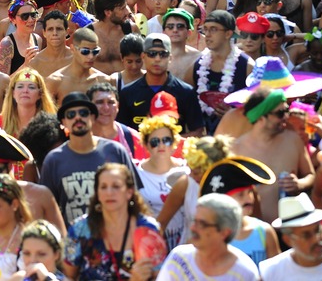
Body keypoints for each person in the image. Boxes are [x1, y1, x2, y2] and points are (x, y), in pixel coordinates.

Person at [40, 92, 138, 227]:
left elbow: (135, 196)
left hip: (115, 239)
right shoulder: (53, 160)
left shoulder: (115, 151)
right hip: (74, 242)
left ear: (92, 117)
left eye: (83, 113)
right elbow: (46, 208)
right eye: (71, 115)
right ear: (63, 122)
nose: (78, 118)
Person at [232, 88, 316, 223]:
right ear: (261, 117)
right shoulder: (236, 149)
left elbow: (310, 175)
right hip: (254, 231)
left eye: (286, 111)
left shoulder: (293, 139)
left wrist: (299, 184)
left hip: (290, 227)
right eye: (280, 113)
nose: (286, 117)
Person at [64, 163, 159, 280]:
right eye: (103, 187)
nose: (109, 192)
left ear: (129, 192)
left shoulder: (149, 230)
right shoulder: (79, 230)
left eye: (116, 186)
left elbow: (160, 276)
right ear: (97, 193)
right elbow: (68, 276)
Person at [259, 192, 322, 280]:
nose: (316, 238)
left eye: (317, 230)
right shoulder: (270, 273)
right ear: (288, 240)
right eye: (306, 235)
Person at [199, 157, 281, 266]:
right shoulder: (207, 236)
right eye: (241, 194)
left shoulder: (264, 232)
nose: (249, 199)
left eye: (250, 192)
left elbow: (277, 273)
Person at [157, 193, 260, 280]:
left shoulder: (245, 273)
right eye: (194, 221)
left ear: (224, 233)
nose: (193, 228)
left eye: (202, 224)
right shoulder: (179, 258)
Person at [192, 10, 253, 134]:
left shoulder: (247, 66)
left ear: (228, 34)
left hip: (238, 138)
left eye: (213, 29)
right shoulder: (197, 66)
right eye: (205, 29)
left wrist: (235, 115)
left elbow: (260, 108)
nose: (207, 34)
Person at [136, 115, 188, 248]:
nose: (161, 145)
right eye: (154, 141)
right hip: (151, 240)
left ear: (174, 143)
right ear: (146, 145)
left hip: (185, 240)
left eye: (166, 140)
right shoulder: (136, 173)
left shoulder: (186, 170)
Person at [45, 28, 111, 104]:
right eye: (85, 51)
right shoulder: (56, 81)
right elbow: (47, 114)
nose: (91, 56)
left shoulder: (103, 80)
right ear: (73, 49)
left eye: (95, 51)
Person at [0, 0, 40, 75]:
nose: (30, 20)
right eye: (25, 16)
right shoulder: (7, 44)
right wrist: (25, 65)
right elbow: (2, 83)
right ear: (13, 19)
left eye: (33, 15)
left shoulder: (38, 39)